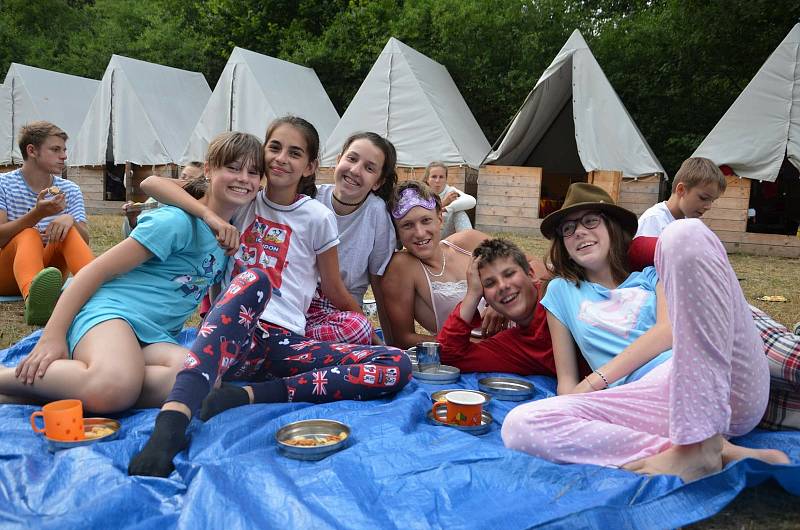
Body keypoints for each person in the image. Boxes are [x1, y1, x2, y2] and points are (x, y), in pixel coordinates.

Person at [128, 116, 411, 478]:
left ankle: (249, 395)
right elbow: (153, 183)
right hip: (233, 336)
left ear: (309, 166)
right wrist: (211, 219)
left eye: (295, 153)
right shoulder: (243, 197)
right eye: (274, 148)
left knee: (395, 364)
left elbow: (335, 291)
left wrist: (373, 337)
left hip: (283, 345)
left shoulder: (318, 217)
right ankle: (170, 426)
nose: (281, 159)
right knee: (255, 279)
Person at [501, 183, 789, 482]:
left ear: (612, 227)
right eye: (568, 228)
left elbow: (669, 332)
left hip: (717, 382)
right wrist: (578, 403)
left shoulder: (653, 276)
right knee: (519, 424)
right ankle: (709, 450)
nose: (579, 232)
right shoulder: (561, 291)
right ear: (564, 245)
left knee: (684, 233)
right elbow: (567, 384)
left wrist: (595, 381)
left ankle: (704, 446)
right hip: (647, 402)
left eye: (590, 221)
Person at [0, 132, 262, 411]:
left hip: (154, 335)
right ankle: (15, 380)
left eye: (253, 172)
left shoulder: (230, 234)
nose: (243, 178)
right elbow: (94, 271)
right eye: (233, 168)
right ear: (209, 169)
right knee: (116, 385)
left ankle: (48, 390)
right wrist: (52, 335)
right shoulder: (176, 222)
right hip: (112, 314)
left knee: (201, 380)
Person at [382, 181, 506, 349]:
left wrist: (502, 300)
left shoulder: (468, 242)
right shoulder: (402, 266)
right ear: (397, 231)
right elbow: (403, 339)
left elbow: (533, 266)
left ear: (440, 218)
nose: (419, 233)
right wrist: (469, 346)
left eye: (426, 220)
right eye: (407, 225)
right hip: (480, 353)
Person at [307, 132, 398, 345]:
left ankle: (294, 348)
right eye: (352, 159)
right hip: (299, 302)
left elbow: (378, 282)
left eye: (369, 168)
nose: (355, 171)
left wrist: (385, 343)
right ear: (338, 160)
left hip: (341, 313)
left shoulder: (376, 214)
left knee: (357, 330)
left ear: (378, 182)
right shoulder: (310, 199)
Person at [0, 121, 94, 325]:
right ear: (32, 150)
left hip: (48, 277)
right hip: (6, 275)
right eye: (55, 149)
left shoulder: (70, 189)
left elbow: (84, 240)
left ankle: (99, 294)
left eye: (64, 149)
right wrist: (36, 214)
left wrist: (70, 219)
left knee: (68, 231)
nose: (64, 156)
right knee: (29, 234)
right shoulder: (3, 184)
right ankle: (33, 302)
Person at [436, 238, 556, 376]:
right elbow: (448, 355)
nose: (502, 286)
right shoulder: (512, 346)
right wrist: (472, 295)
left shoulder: (560, 297)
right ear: (485, 298)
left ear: (531, 274)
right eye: (489, 283)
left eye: (509, 274)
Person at [121, 162, 204, 237]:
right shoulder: (156, 200)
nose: (183, 181)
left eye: (190, 180)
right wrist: (132, 220)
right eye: (183, 176)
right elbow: (134, 234)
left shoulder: (200, 211)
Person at [422, 161, 476, 237]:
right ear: (427, 179)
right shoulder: (421, 194)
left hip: (447, 236)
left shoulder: (450, 191)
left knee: (459, 212)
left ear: (446, 179)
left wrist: (448, 208)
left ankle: (468, 242)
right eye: (434, 177)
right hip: (426, 235)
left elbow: (471, 201)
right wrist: (443, 204)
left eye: (441, 177)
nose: (437, 181)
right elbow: (422, 215)